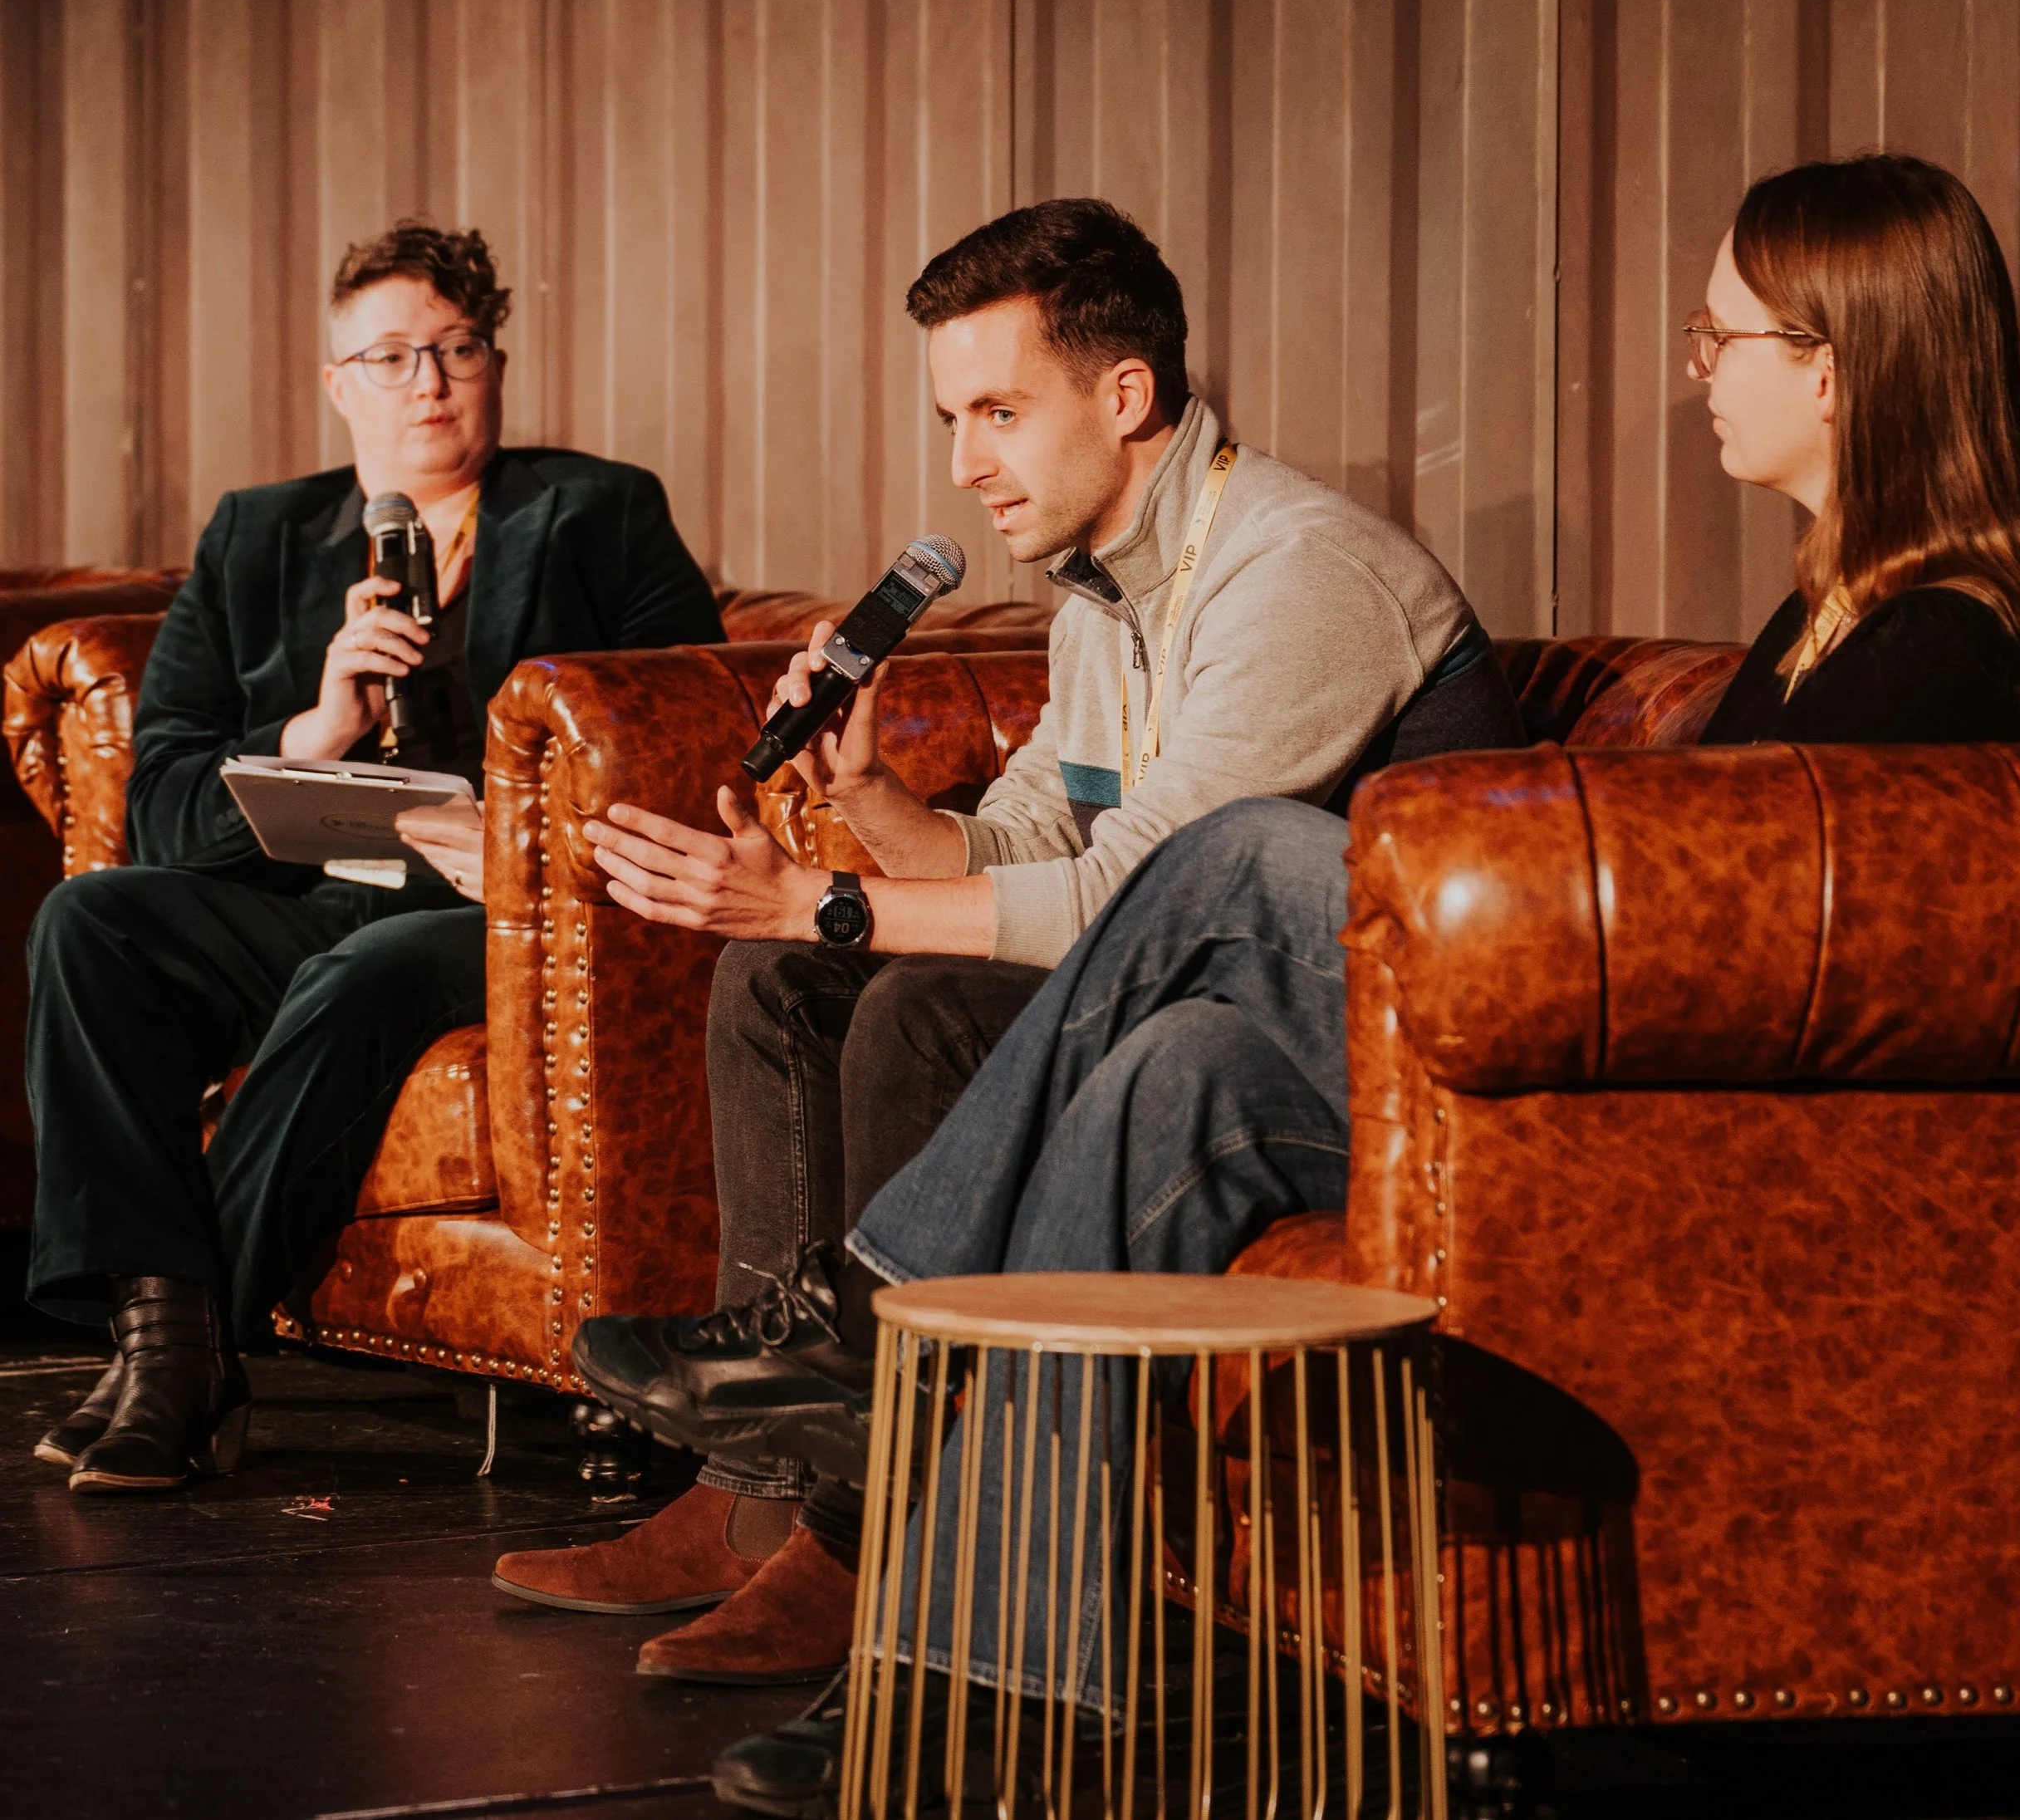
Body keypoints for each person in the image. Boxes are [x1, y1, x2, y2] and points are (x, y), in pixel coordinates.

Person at [695, 152, 2020, 1813]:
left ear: (1835, 363)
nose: (1694, 371)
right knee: (1172, 1067)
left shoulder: (1954, 647)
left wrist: (838, 907)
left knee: (1231, 855)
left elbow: (1737, 965)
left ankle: (866, 1328)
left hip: (1665, 1155)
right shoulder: (1822, 623)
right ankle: (987, 1672)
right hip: (1573, 1092)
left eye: (1721, 340)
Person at [493, 198, 1524, 1679]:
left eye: (998, 411)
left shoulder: (1295, 572)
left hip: (1331, 1039)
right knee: (783, 976)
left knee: (896, 996)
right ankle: (756, 1486)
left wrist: (818, 893)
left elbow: (1150, 896)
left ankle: (853, 1514)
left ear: (1125, 396)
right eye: (951, 416)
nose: (967, 463)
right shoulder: (1100, 592)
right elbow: (1031, 840)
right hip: (1174, 988)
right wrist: (868, 804)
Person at [27, 219, 723, 1494]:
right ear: (337, 381)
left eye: (459, 349)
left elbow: (686, 743)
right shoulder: (254, 538)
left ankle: (175, 1353)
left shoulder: (600, 514)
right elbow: (158, 807)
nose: (431, 383)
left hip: (500, 915)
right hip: (306, 895)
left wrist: (514, 840)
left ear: (495, 365)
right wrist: (317, 729)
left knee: (360, 978)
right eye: (394, 356)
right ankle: (176, 1348)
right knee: (92, 923)